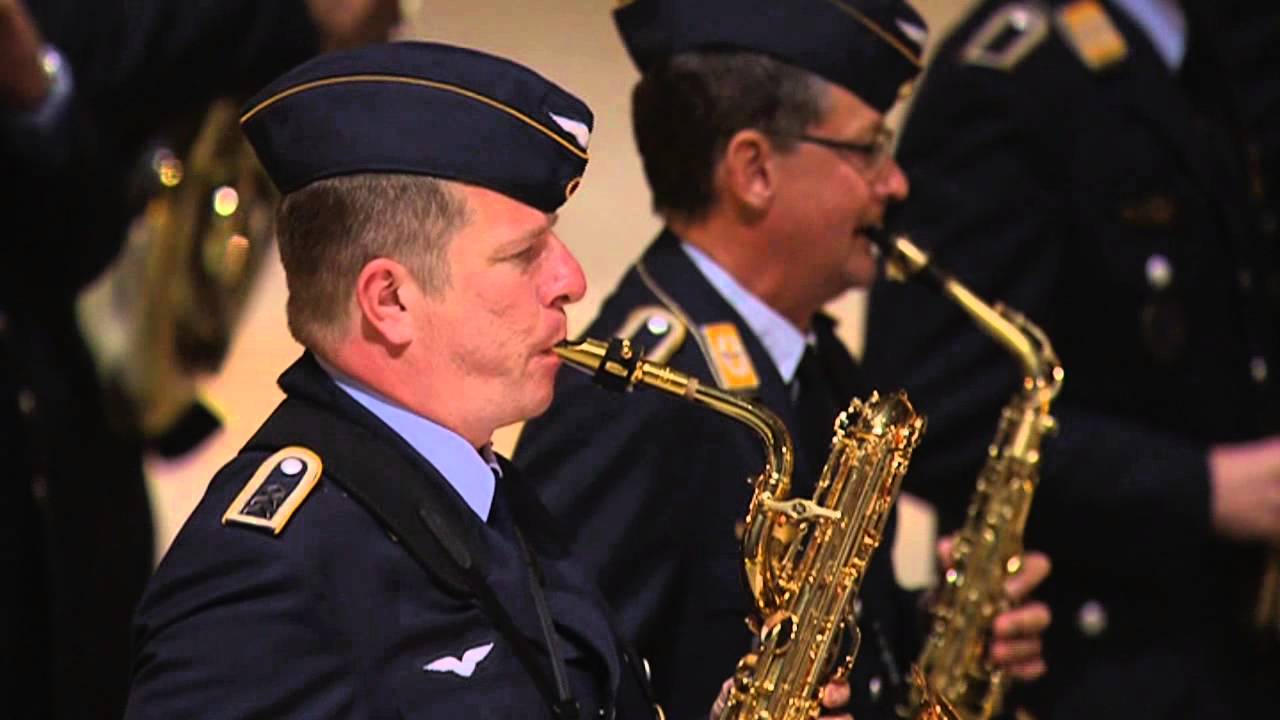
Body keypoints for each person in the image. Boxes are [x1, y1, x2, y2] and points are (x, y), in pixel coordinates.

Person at [513, 2, 1053, 718]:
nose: (895, 185)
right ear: (754, 169)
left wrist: (939, 627)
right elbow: (549, 685)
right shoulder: (641, 394)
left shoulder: (819, 359)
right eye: (868, 151)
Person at [123, 40, 670, 720]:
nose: (571, 281)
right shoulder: (268, 574)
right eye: (524, 254)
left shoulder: (477, 488)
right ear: (390, 301)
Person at [862, 0, 1280, 717]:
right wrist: (1209, 488)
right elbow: (939, 407)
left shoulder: (1219, 42)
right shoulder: (1013, 78)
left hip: (1235, 648)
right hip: (1087, 662)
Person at [1, 1, 397, 718]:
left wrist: (40, 99)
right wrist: (293, 19)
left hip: (65, 478)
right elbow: (80, 36)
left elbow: (75, 236)